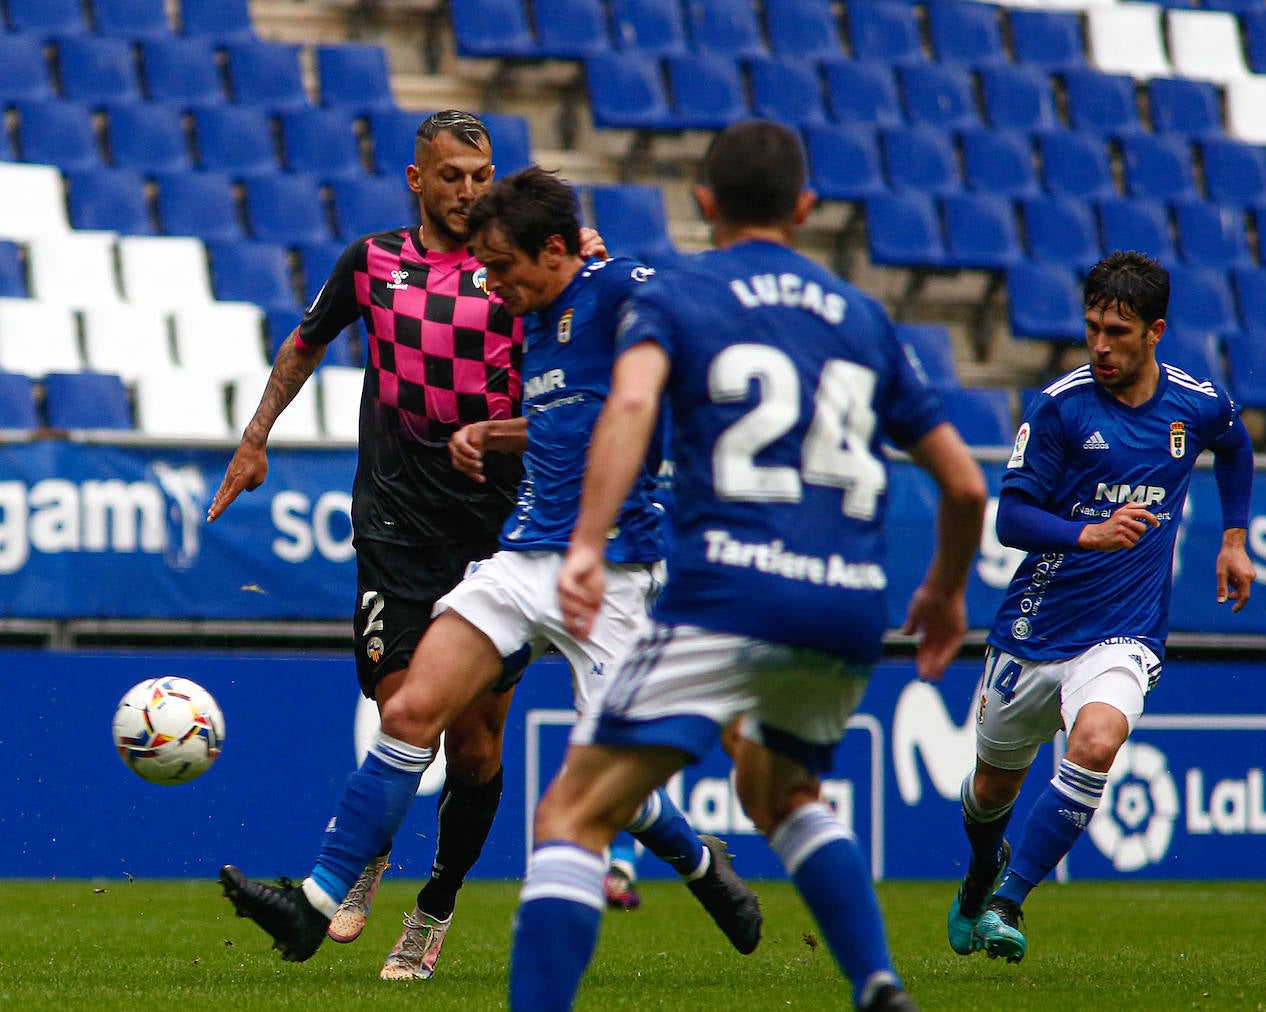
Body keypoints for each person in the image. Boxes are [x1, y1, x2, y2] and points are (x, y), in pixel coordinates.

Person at [215, 164, 763, 978]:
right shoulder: (533, 315)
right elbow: (561, 420)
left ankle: (695, 859)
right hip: (523, 559)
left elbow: (704, 324)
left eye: (501, 268)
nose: (490, 284)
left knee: (609, 785)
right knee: (411, 709)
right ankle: (315, 903)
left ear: (553, 251)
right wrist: (491, 435)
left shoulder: (618, 289)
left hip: (615, 575)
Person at [508, 120, 987, 1012]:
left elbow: (631, 403)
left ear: (703, 203)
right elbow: (964, 488)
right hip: (845, 608)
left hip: (726, 590)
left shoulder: (679, 296)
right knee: (781, 790)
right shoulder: (862, 316)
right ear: (806, 208)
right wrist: (947, 590)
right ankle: (879, 984)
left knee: (572, 817)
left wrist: (584, 545)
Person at [208, 109, 606, 977]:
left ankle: (434, 908)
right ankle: (363, 855)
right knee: (402, 712)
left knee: (475, 744)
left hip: (501, 529)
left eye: (480, 175)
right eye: (452, 175)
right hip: (396, 522)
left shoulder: (517, 271)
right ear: (415, 181)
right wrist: (255, 436)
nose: (468, 190)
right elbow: (306, 343)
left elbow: (587, 345)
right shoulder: (372, 261)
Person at [945, 250, 1257, 964]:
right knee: (993, 787)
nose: (1100, 346)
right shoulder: (1060, 409)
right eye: (1091, 328)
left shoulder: (1194, 402)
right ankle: (978, 874)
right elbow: (1012, 519)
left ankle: (1006, 901)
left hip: (1124, 633)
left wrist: (1233, 537)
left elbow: (1234, 444)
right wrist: (1087, 532)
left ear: (1156, 331)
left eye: (1117, 331)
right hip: (1035, 626)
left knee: (1095, 743)